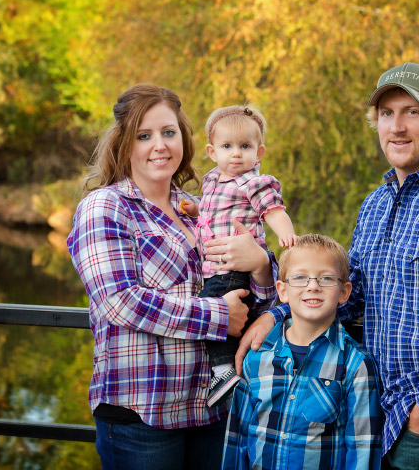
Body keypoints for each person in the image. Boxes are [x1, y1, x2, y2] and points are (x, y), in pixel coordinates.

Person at [237, 63, 419, 470]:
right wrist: (279, 314)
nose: (397, 127)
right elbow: (349, 295)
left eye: (412, 112)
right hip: (387, 420)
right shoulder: (376, 205)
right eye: (387, 114)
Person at [66, 84, 277, 470]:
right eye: (144, 136)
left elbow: (254, 299)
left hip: (211, 410)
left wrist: (261, 262)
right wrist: (217, 316)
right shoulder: (105, 207)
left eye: (168, 132)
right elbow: (120, 302)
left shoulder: (199, 208)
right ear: (124, 143)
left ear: (184, 138)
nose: (159, 145)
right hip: (143, 414)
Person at [222, 234, 382, 470]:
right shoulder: (257, 358)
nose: (313, 286)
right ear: (283, 291)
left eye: (326, 278)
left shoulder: (356, 364)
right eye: (300, 277)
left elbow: (362, 452)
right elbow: (238, 439)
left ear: (344, 292)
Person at [180, 104, 298, 407]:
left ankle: (223, 370)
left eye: (245, 147)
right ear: (212, 151)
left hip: (233, 267)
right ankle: (230, 369)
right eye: (227, 146)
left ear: (258, 152)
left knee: (210, 310)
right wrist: (195, 208)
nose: (236, 154)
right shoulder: (212, 181)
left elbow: (273, 210)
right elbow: (210, 208)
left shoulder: (254, 183)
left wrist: (286, 232)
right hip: (216, 266)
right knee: (223, 315)